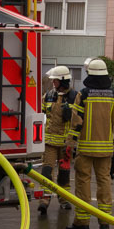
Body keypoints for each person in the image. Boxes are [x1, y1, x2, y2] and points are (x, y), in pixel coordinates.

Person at [65, 58, 114, 229]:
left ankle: (82, 223)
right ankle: (105, 222)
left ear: (89, 74)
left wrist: (70, 144)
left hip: (85, 150)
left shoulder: (83, 95)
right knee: (104, 183)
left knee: (83, 183)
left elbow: (76, 122)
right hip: (106, 151)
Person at [38, 65, 77, 215]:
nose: (53, 83)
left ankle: (63, 199)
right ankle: (45, 200)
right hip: (49, 143)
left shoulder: (74, 96)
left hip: (66, 144)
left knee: (64, 173)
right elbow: (40, 112)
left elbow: (79, 120)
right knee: (47, 170)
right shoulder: (48, 95)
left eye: (55, 81)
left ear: (63, 81)